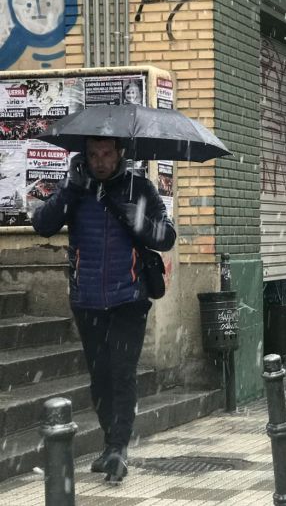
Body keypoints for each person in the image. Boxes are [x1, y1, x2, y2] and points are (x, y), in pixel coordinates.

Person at [31, 136, 175, 482]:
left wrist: (137, 221)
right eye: (93, 155)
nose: (100, 161)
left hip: (129, 299)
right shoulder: (76, 190)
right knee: (100, 377)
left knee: (121, 373)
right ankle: (111, 443)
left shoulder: (139, 188)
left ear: (119, 153)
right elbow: (42, 224)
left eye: (106, 154)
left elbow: (166, 236)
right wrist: (69, 190)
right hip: (87, 300)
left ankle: (117, 447)